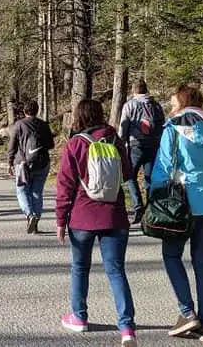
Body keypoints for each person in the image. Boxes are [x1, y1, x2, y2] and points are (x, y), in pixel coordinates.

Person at [151, 84, 203, 342]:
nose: (171, 107)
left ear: (182, 103)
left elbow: (163, 168)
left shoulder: (173, 129)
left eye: (173, 102)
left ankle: (187, 312)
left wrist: (154, 195)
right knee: (201, 261)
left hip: (182, 204)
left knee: (172, 255)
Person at [56, 99, 138, 347]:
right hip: (114, 215)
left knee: (80, 268)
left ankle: (79, 317)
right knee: (116, 270)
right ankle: (127, 328)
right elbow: (127, 173)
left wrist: (61, 219)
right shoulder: (115, 141)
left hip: (82, 216)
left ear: (79, 117)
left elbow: (65, 186)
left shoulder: (75, 144)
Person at [119, 78, 166, 224]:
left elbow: (123, 126)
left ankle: (138, 206)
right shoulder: (156, 105)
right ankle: (151, 208)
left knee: (130, 175)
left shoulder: (130, 105)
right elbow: (162, 125)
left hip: (136, 145)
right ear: (146, 89)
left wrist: (121, 144)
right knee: (150, 178)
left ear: (133, 90)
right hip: (154, 145)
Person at [7, 100, 55, 234]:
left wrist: (10, 162)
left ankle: (29, 215)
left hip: (23, 164)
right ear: (37, 111)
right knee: (36, 192)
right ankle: (36, 222)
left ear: (24, 111)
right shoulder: (44, 125)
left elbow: (12, 145)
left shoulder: (19, 125)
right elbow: (51, 145)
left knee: (22, 191)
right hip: (42, 163)